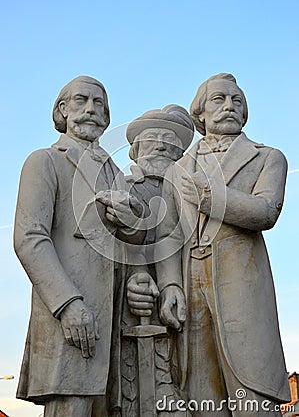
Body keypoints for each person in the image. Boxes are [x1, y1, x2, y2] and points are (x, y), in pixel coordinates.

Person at [154, 73, 291, 415]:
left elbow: (266, 210)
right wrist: (171, 284)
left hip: (241, 287)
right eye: (219, 99)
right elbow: (168, 234)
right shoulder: (178, 169)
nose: (229, 106)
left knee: (253, 397)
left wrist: (211, 196)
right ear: (199, 113)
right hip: (190, 286)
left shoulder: (268, 157)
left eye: (237, 101)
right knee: (200, 396)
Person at [14, 76, 141, 417]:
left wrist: (131, 222)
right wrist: (67, 304)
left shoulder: (117, 174)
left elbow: (132, 246)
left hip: (113, 323)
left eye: (99, 103)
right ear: (62, 111)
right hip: (69, 317)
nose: (90, 109)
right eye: (81, 100)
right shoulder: (44, 162)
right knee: (71, 407)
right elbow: (30, 238)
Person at [108, 106, 194, 416]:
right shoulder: (123, 188)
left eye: (170, 140)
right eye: (152, 138)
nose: (160, 144)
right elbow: (114, 245)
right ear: (135, 149)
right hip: (137, 316)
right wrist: (135, 275)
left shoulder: (193, 190)